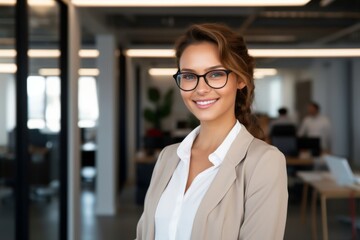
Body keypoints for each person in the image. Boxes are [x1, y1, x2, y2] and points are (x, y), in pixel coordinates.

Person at [136, 23, 288, 240]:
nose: (200, 88)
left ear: (241, 79)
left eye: (215, 74)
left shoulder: (264, 162)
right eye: (189, 76)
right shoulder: (168, 157)